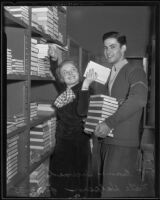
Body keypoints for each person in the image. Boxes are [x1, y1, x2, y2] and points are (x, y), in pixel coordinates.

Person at [77, 31, 149, 197]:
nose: (108, 51)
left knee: (113, 193)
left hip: (122, 143)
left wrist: (109, 123)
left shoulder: (135, 70)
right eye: (105, 47)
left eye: (113, 47)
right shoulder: (109, 74)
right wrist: (92, 120)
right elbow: (107, 106)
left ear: (123, 48)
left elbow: (138, 100)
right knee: (106, 189)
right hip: (106, 140)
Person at [48, 45, 97, 198]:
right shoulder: (64, 89)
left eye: (73, 70)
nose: (69, 74)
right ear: (62, 78)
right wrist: (54, 59)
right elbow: (56, 72)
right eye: (65, 72)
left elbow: (82, 111)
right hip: (63, 142)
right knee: (60, 181)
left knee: (76, 182)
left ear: (79, 72)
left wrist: (86, 85)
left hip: (79, 143)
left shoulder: (86, 89)